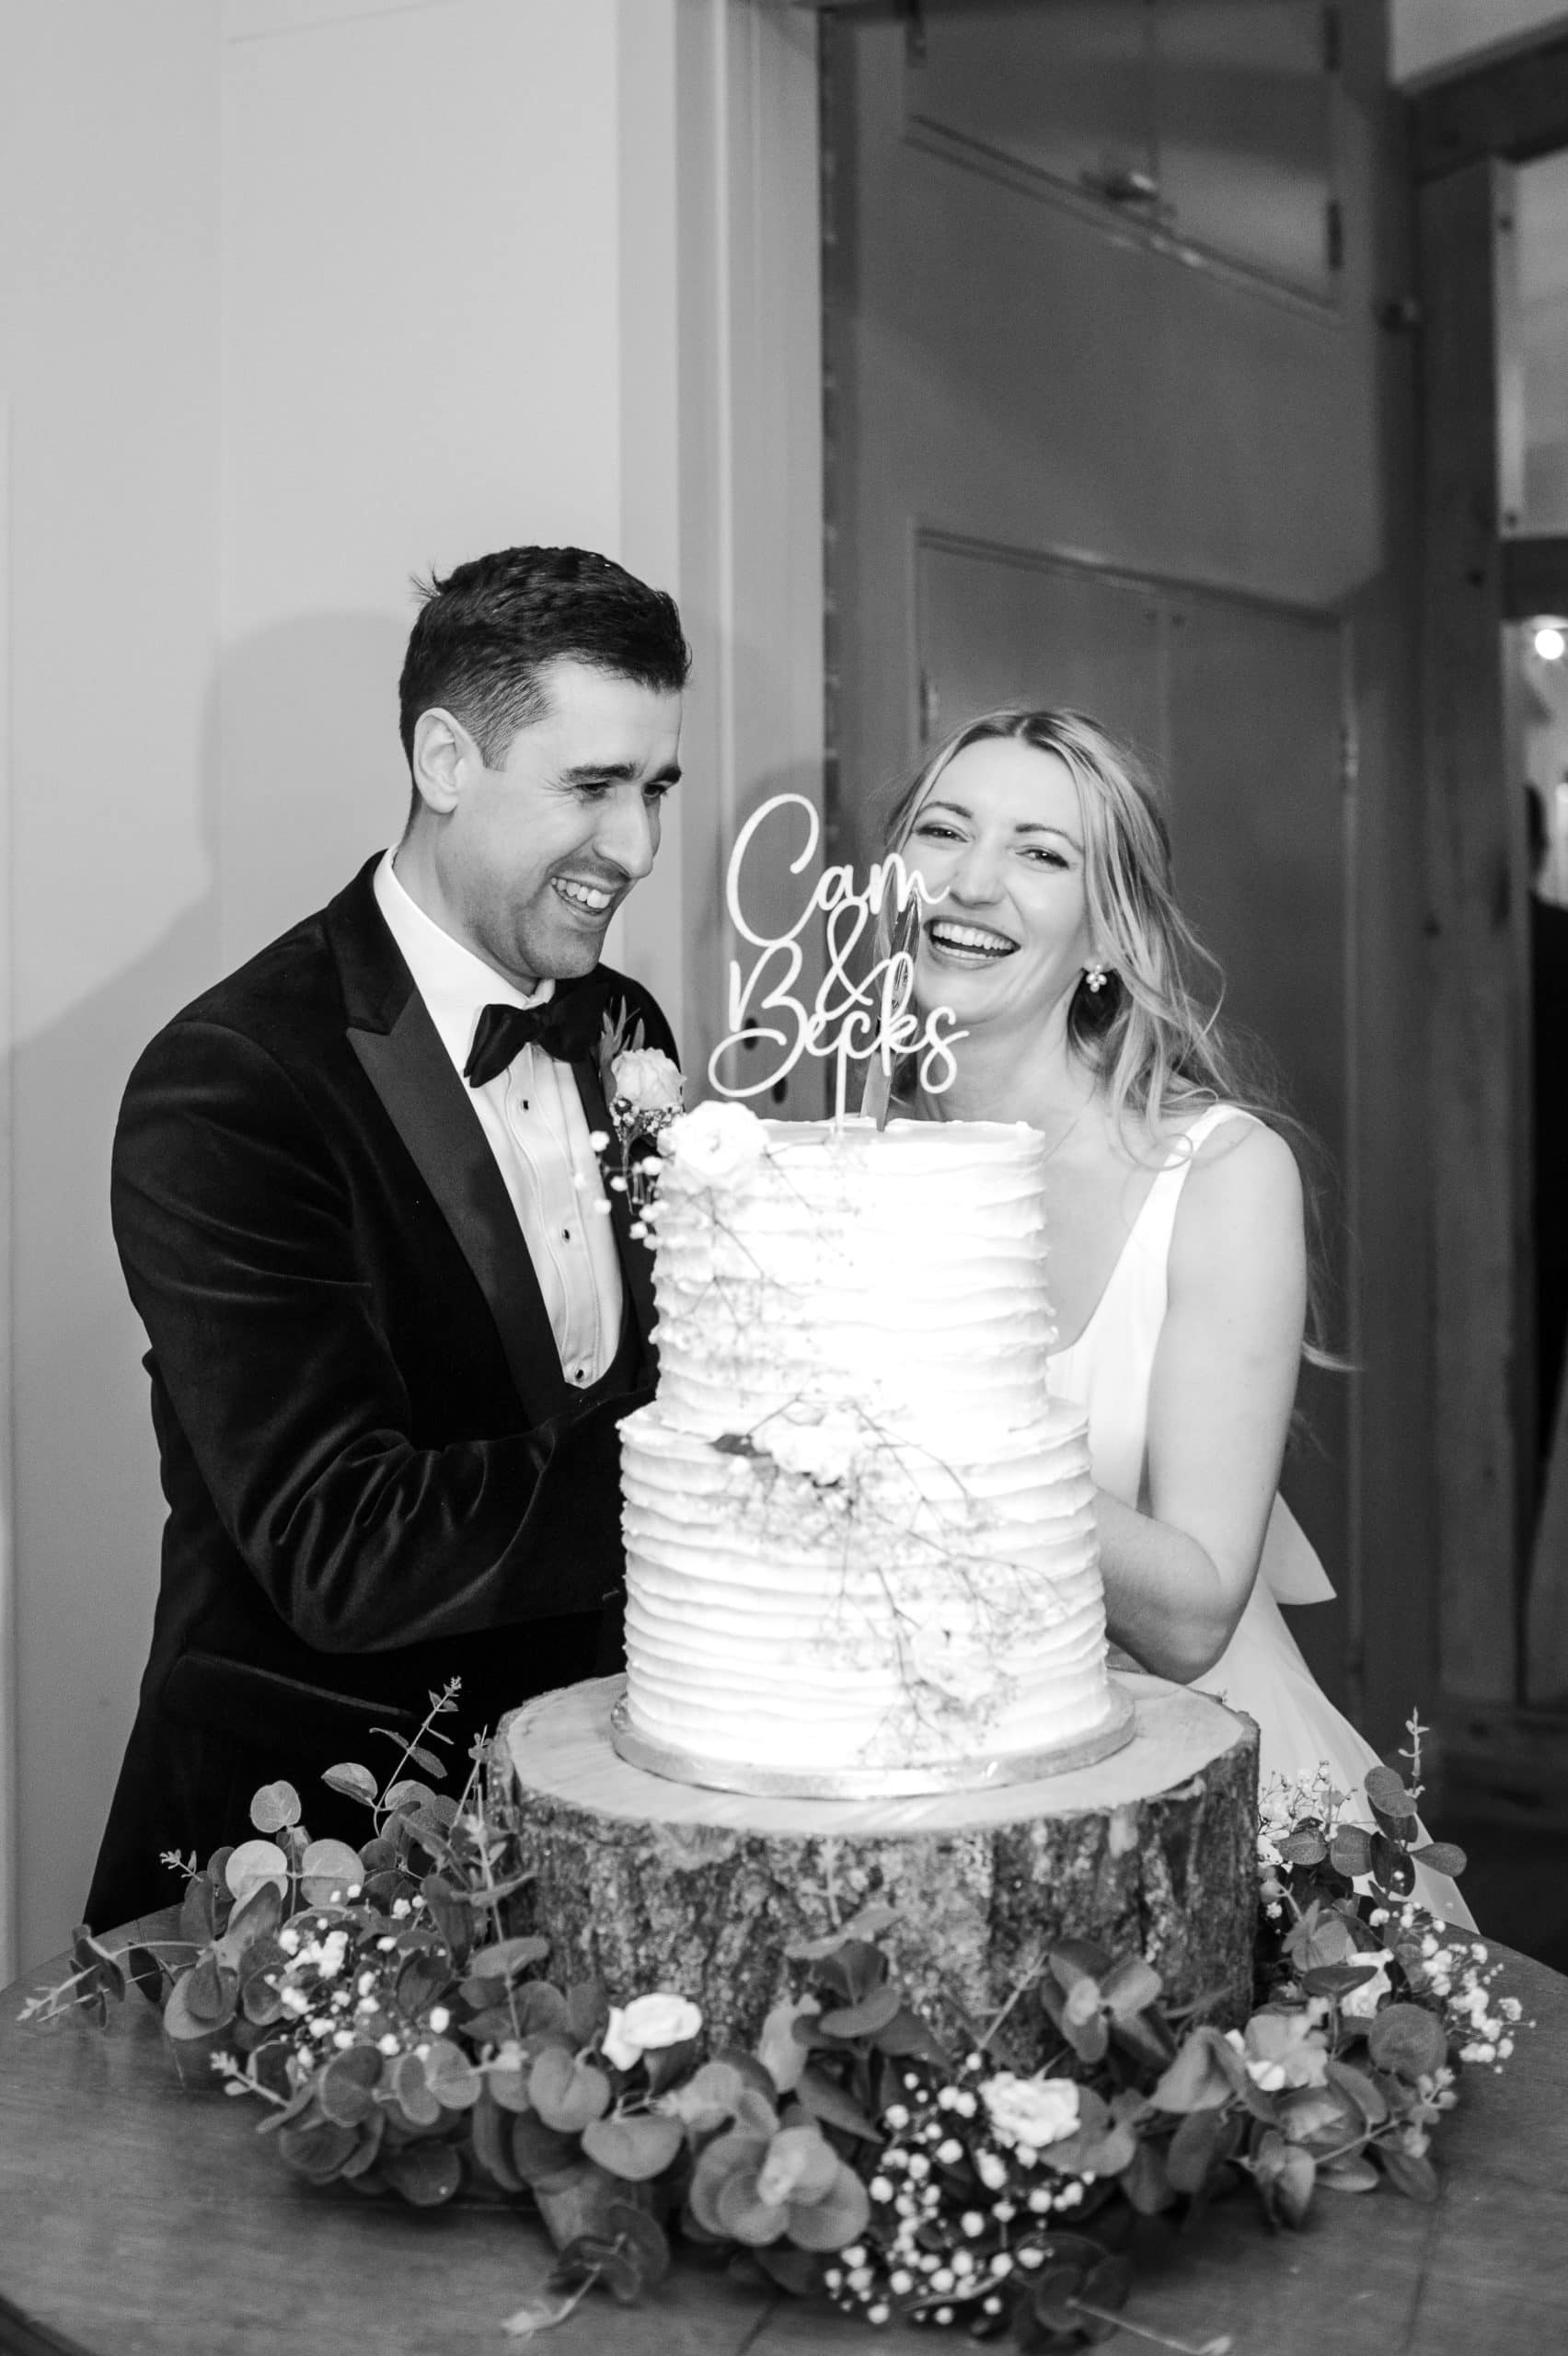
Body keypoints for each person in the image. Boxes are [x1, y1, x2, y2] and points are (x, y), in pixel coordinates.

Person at [86, 545, 688, 1932]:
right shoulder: (233, 1083)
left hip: (590, 1822)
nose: (639, 849)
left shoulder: (625, 1028)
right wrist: (725, 1474)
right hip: (303, 1857)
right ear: (444, 757)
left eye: (655, 788)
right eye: (592, 788)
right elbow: (338, 1543)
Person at [884, 706, 1473, 1926]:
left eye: (1042, 853)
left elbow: (1196, 1613)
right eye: (944, 830)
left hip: (1199, 1802)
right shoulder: (817, 1161)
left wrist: (915, 1423)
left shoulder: (1216, 1172)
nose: (973, 880)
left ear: (1110, 927)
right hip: (901, 1796)